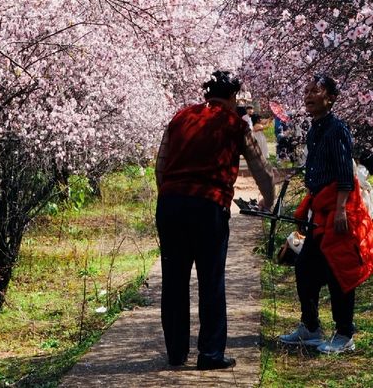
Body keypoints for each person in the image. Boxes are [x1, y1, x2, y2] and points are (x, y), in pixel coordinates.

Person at [155, 70, 275, 371]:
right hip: (208, 206)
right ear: (233, 97)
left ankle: (176, 353)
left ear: (207, 93)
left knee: (174, 280)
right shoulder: (235, 124)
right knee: (211, 281)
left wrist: (171, 195)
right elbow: (260, 166)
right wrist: (268, 199)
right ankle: (209, 354)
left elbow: (161, 163)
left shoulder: (181, 117)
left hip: (171, 205)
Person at [279, 74, 373, 354]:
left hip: (339, 210)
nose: (308, 95)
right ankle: (310, 327)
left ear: (330, 98)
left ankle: (345, 334)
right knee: (305, 267)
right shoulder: (315, 130)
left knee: (338, 271)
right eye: (306, 90)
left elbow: (345, 171)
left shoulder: (337, 129)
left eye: (315, 91)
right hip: (320, 210)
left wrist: (342, 208)